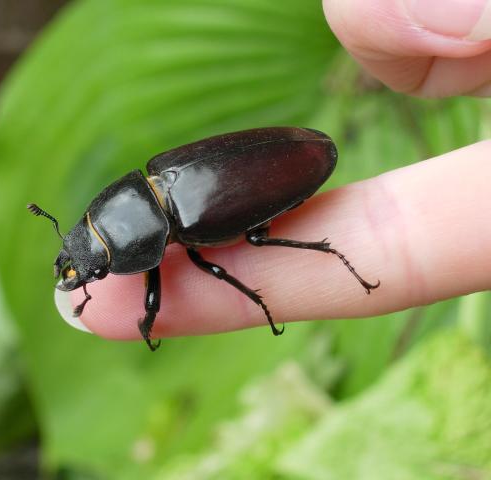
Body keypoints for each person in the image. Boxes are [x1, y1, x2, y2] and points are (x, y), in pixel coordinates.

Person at [64, 0, 491, 340]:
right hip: (287, 148)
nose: (86, 264)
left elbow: (158, 302)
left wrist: (147, 323)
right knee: (242, 249)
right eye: (97, 266)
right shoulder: (163, 168)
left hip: (296, 159)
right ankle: (326, 252)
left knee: (253, 240)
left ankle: (327, 249)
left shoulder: (190, 227)